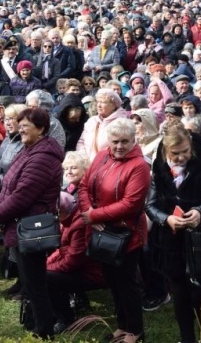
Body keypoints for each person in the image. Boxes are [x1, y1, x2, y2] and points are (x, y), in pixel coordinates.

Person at [0, 107, 64, 339]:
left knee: (35, 284)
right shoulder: (28, 150)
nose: (20, 130)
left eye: (25, 127)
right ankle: (38, 324)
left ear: (41, 129)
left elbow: (22, 196)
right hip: (17, 224)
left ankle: (45, 330)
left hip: (31, 228)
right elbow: (8, 186)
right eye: (18, 126)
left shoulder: (43, 157)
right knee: (30, 283)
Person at [145, 126, 201, 343]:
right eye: (175, 153)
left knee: (200, 289)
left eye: (185, 152)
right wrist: (166, 218)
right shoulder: (159, 168)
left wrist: (200, 212)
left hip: (199, 238)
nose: (181, 158)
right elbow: (149, 205)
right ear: (165, 152)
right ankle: (187, 337)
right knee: (178, 288)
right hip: (170, 239)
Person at [78, 118, 151, 343]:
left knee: (127, 283)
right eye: (115, 141)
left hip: (125, 234)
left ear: (134, 140)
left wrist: (95, 215)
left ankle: (135, 330)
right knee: (112, 280)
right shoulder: (102, 156)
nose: (119, 146)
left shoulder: (139, 165)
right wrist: (88, 210)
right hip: (101, 231)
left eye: (125, 142)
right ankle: (122, 325)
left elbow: (131, 204)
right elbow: (83, 186)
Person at [45, 153, 104, 334]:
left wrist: (49, 270)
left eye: (56, 214)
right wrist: (46, 264)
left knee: (48, 278)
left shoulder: (78, 223)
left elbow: (73, 260)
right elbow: (62, 250)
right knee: (45, 272)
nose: (55, 218)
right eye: (66, 169)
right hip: (81, 266)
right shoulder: (69, 218)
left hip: (93, 273)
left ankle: (66, 319)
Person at [76, 88, 129, 159]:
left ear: (113, 105)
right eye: (98, 102)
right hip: (88, 166)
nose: (99, 105)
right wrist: (84, 159)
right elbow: (81, 142)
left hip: (109, 166)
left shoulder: (122, 123)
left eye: (103, 102)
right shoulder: (91, 121)